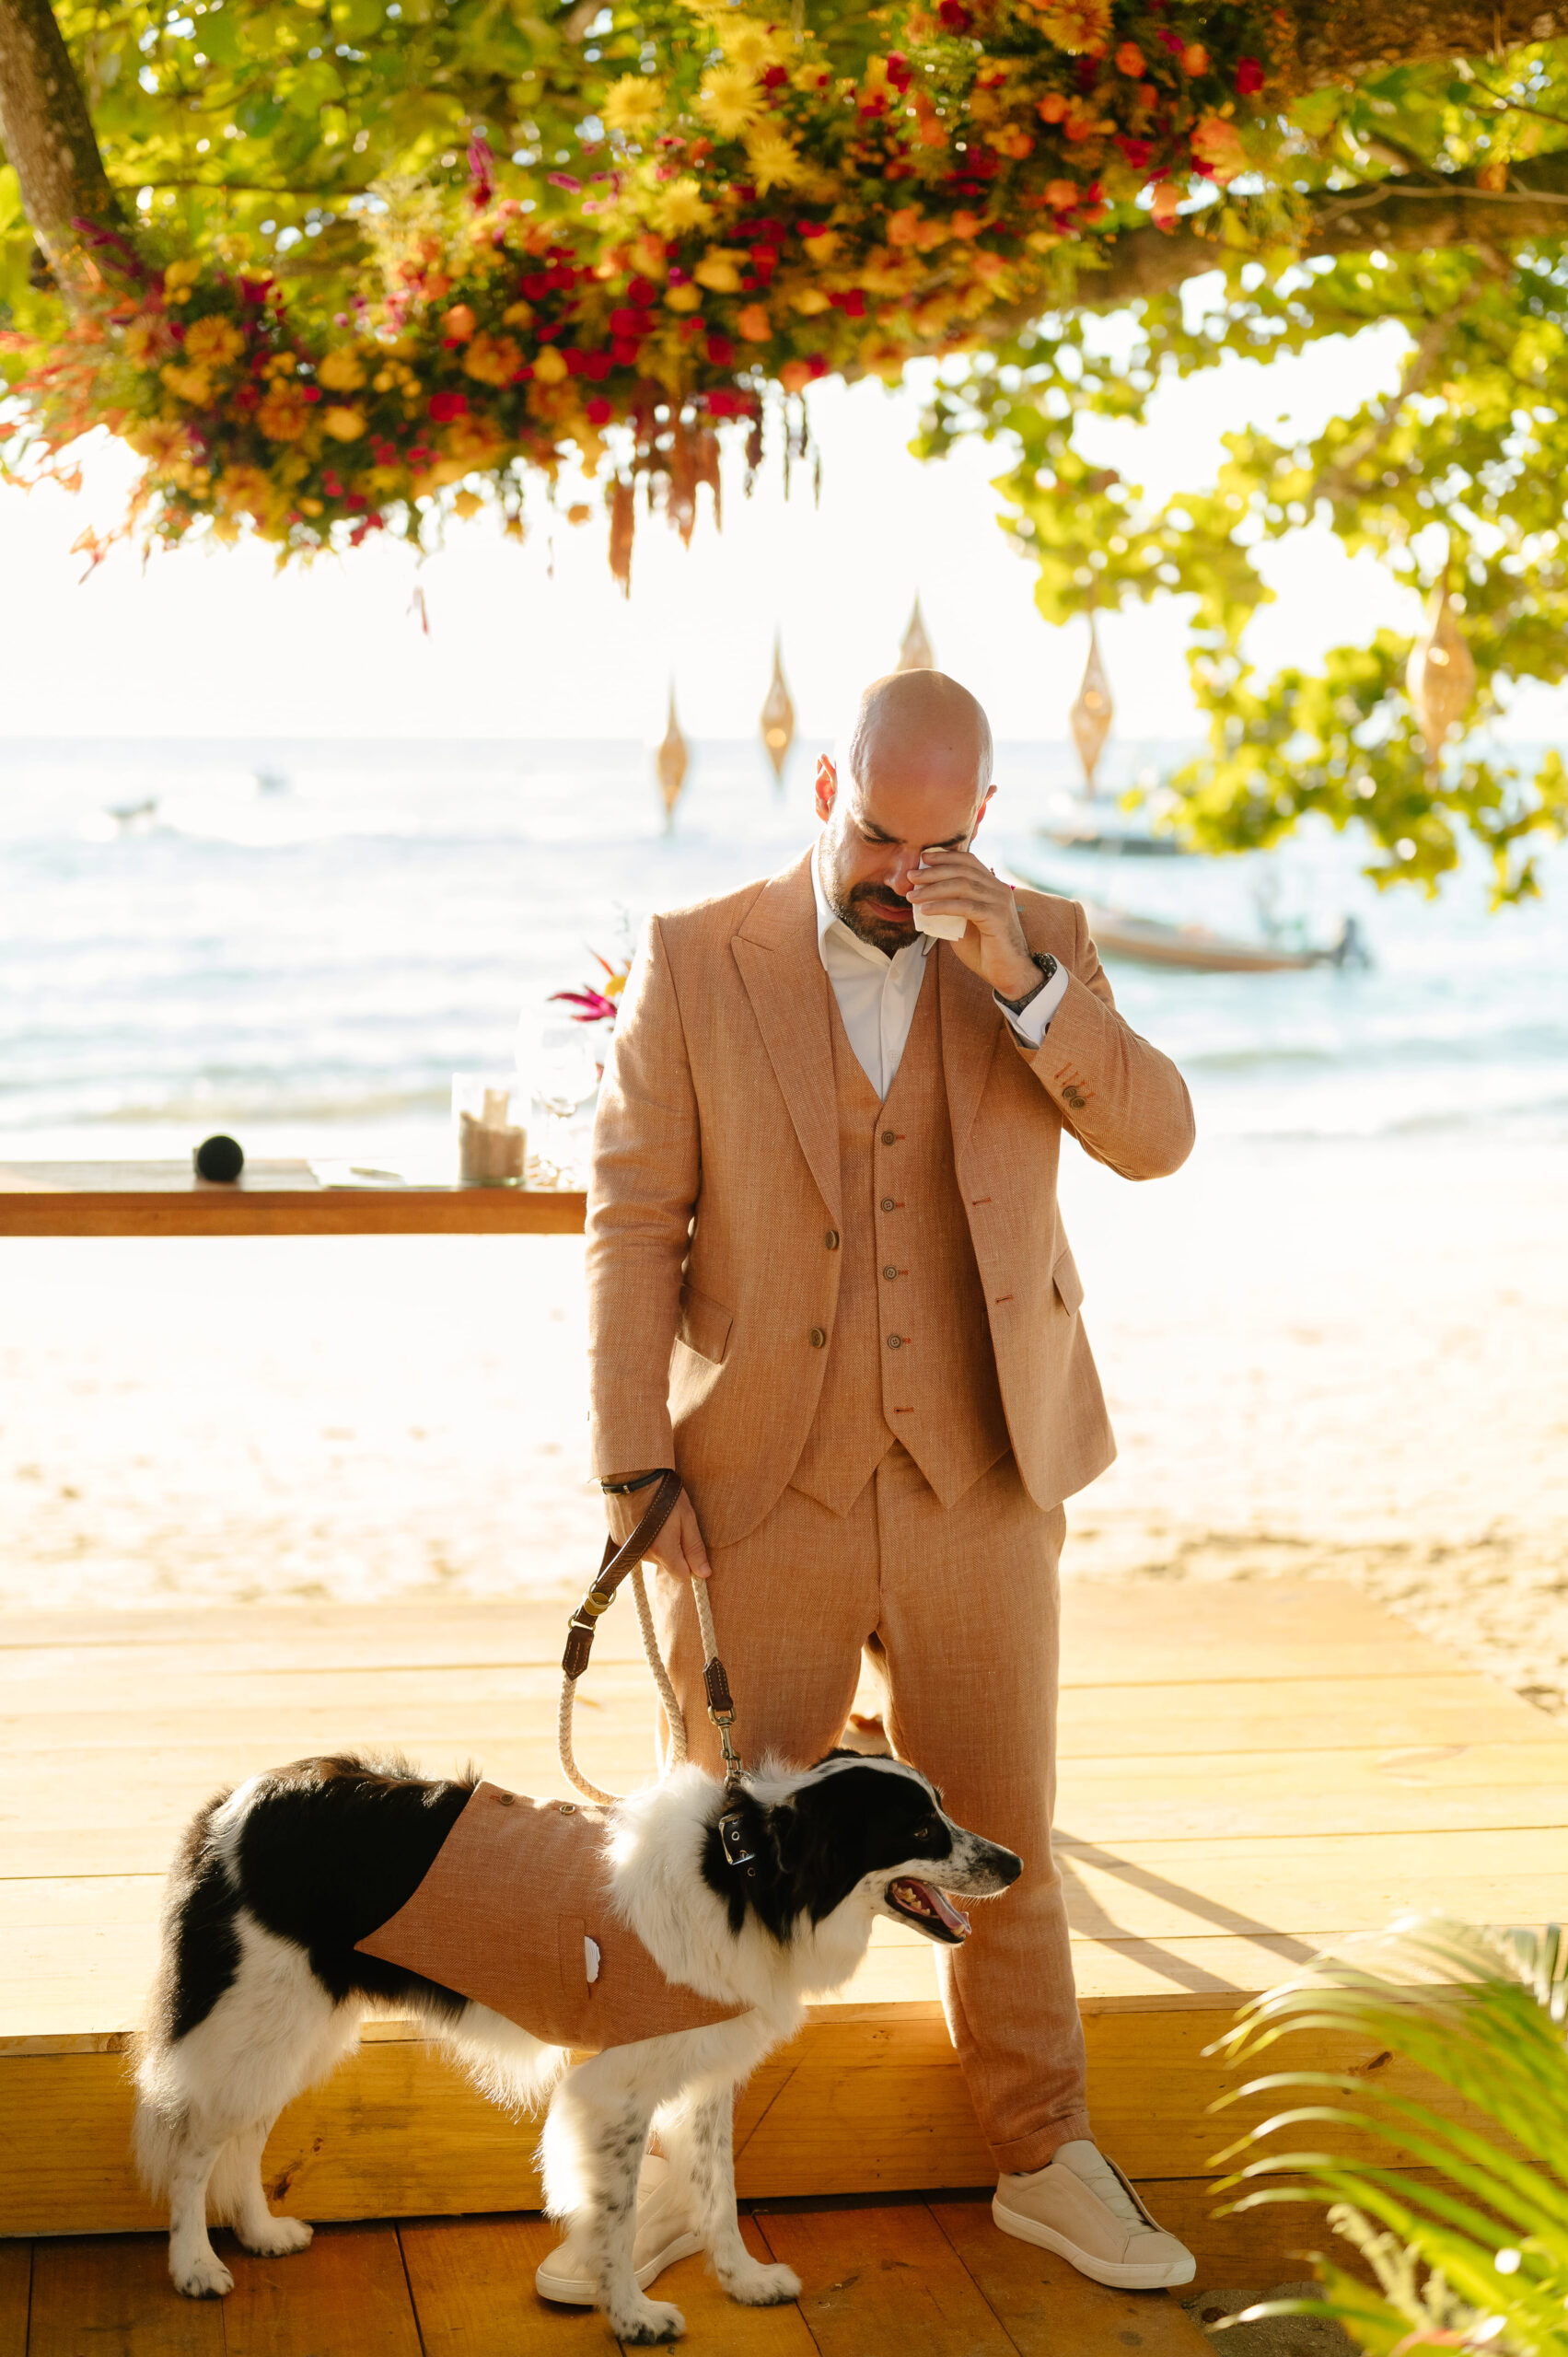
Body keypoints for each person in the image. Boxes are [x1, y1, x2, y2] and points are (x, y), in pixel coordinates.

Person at [575, 667, 1197, 2297]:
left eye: (937, 846)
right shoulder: (699, 952)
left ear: (982, 818)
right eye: (874, 835)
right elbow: (633, 1218)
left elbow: (1156, 1139)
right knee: (711, 1843)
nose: (899, 877)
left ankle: (1044, 2156)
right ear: (826, 782)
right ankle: (644, 2189)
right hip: (751, 1480)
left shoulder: (1042, 933)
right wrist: (635, 1459)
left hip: (980, 1467)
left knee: (1010, 1837)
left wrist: (1028, 990)